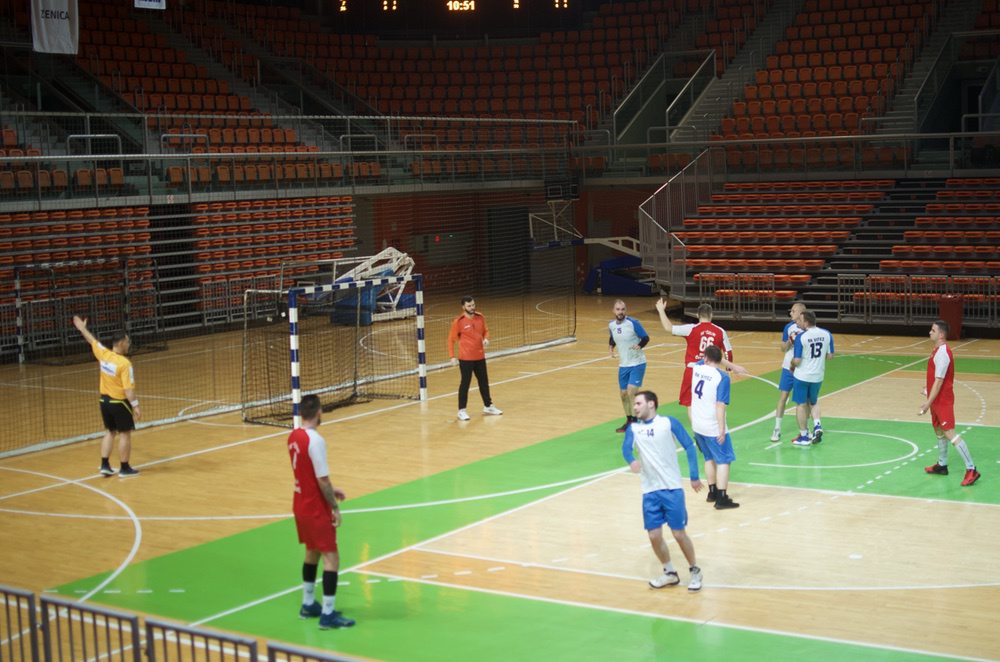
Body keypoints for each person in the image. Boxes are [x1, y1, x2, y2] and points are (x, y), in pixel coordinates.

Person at [622, 390, 704, 592]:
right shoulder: (634, 429)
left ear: (651, 404)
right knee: (654, 535)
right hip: (650, 490)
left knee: (678, 534)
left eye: (638, 403)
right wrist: (631, 460)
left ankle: (695, 570)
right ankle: (669, 572)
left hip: (672, 488)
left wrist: (694, 475)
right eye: (635, 404)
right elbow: (626, 449)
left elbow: (689, 446)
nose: (635, 407)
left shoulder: (668, 423)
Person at [288, 394, 356, 629]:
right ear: (319, 412)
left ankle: (308, 603)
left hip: (300, 503)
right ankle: (328, 614)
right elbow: (322, 479)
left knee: (312, 551)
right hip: (315, 508)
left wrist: (329, 489)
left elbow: (307, 474)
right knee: (331, 558)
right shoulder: (315, 441)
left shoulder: (293, 436)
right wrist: (334, 507)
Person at [72, 315, 141, 477]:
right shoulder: (125, 364)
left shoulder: (103, 354)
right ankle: (124, 468)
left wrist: (82, 329)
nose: (129, 344)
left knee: (110, 431)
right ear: (121, 343)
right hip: (119, 403)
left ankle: (105, 465)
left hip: (104, 401)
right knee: (125, 434)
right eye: (127, 342)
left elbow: (92, 340)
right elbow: (128, 390)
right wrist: (136, 406)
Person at [655, 299, 745, 410]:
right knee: (711, 400)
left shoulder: (691, 328)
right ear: (711, 315)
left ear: (697, 315)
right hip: (711, 371)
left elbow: (669, 328)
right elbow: (728, 352)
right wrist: (728, 370)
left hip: (693, 370)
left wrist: (661, 311)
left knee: (690, 402)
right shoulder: (720, 331)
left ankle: (695, 421)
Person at [920, 320, 980, 486]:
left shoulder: (943, 353)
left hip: (943, 401)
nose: (929, 332)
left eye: (933, 330)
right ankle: (942, 465)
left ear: (941, 334)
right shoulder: (936, 350)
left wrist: (927, 404)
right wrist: (927, 389)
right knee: (939, 431)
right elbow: (936, 379)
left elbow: (939, 382)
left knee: (949, 433)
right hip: (936, 399)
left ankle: (972, 469)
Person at [690, 346, 739, 509]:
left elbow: (707, 359)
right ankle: (722, 498)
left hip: (697, 424)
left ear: (705, 358)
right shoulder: (722, 377)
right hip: (712, 426)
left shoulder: (697, 368)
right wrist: (722, 429)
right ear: (720, 359)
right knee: (724, 460)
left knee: (708, 457)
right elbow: (720, 405)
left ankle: (712, 492)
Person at [448, 296, 502, 421]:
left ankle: (488, 406)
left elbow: (486, 331)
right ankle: (461, 410)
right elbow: (451, 340)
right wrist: (452, 356)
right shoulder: (458, 322)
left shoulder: (480, 317)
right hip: (466, 358)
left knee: (484, 382)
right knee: (465, 383)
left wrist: (486, 338)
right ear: (463, 307)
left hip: (480, 357)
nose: (472, 307)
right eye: (469, 306)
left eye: (473, 305)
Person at [790, 310, 834, 446]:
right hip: (818, 376)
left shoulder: (801, 337)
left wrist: (791, 364)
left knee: (801, 405)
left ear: (806, 322)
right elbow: (830, 356)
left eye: (800, 320)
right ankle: (817, 425)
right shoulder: (827, 334)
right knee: (813, 402)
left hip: (802, 376)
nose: (798, 322)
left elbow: (797, 361)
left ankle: (804, 436)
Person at [608, 299, 650, 433]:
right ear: (613, 311)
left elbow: (645, 337)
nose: (620, 312)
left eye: (622, 309)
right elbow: (613, 337)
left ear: (625, 310)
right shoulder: (611, 325)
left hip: (637, 363)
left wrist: (639, 345)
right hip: (624, 365)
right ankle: (630, 420)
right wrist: (611, 347)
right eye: (618, 309)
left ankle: (639, 419)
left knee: (632, 391)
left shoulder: (633, 323)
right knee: (623, 394)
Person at [771, 302, 807, 443]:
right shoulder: (788, 327)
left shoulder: (808, 327)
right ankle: (777, 428)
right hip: (788, 368)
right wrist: (790, 342)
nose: (790, 313)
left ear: (800, 313)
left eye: (793, 311)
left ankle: (804, 430)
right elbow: (783, 348)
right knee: (783, 397)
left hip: (802, 368)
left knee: (804, 401)